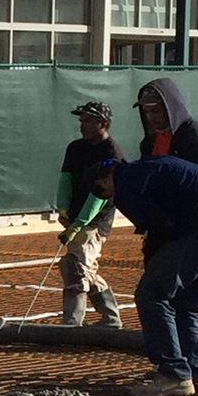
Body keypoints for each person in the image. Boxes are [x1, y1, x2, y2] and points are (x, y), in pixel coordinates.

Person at [90, 154, 198, 396]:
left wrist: (153, 264)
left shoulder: (126, 183)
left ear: (104, 180)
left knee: (151, 295)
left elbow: (158, 227)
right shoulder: (147, 169)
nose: (111, 198)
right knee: (184, 307)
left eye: (105, 193)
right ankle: (196, 381)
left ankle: (174, 374)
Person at [54, 101, 125, 326]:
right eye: (81, 121)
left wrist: (79, 225)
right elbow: (65, 178)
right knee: (83, 267)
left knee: (75, 268)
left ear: (102, 123)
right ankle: (111, 318)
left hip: (96, 221)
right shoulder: (75, 148)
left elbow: (101, 194)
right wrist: (63, 208)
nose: (82, 126)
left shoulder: (112, 153)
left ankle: (72, 324)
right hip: (75, 217)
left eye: (88, 121)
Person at [135, 77, 198, 179]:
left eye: (155, 111)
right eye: (146, 111)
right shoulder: (149, 142)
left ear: (171, 108)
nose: (150, 117)